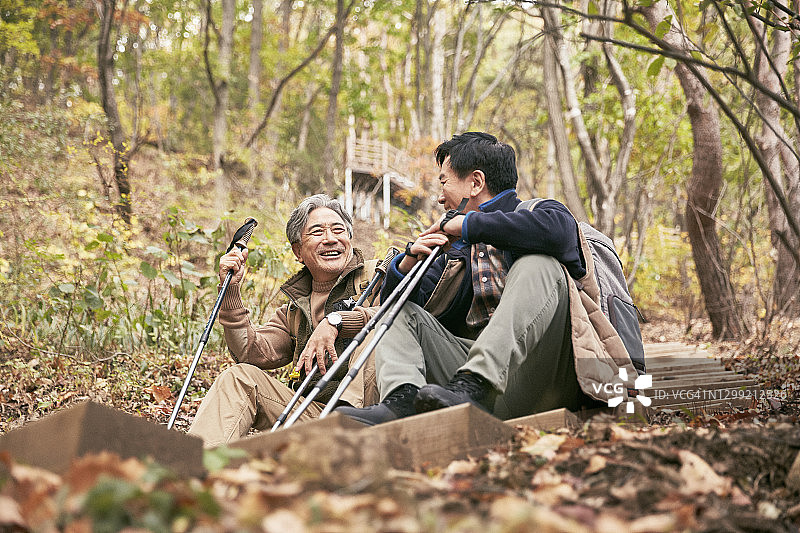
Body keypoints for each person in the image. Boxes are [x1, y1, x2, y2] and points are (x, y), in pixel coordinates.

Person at [336, 132, 636, 425]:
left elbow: (556, 232)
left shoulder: (541, 214)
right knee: (402, 312)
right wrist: (408, 262)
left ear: (475, 182)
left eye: (444, 181)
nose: (440, 197)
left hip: (554, 374)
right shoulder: (453, 253)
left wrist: (469, 225)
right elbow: (398, 313)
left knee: (537, 263)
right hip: (475, 392)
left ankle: (476, 382)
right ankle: (402, 404)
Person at [188, 194, 380, 447]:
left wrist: (336, 321)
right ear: (298, 251)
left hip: (370, 417)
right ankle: (192, 469)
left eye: (338, 230)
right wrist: (231, 291)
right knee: (239, 377)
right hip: (313, 417)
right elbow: (251, 352)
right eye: (317, 232)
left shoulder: (378, 276)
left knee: (382, 328)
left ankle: (349, 427)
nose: (330, 239)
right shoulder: (294, 311)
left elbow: (400, 317)